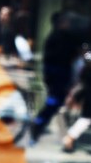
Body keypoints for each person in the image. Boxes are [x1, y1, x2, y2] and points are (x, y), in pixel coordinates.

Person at [29, 11, 80, 144]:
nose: (68, 24)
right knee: (54, 103)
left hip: (55, 76)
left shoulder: (54, 37)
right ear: (60, 23)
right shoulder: (61, 37)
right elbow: (69, 55)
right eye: (66, 21)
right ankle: (39, 124)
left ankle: (61, 134)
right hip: (59, 77)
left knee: (57, 104)